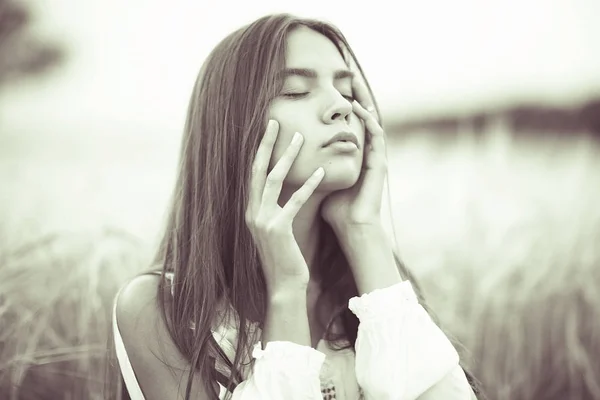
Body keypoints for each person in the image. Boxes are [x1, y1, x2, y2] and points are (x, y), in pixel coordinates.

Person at [110, 13, 485, 400]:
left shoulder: (372, 283)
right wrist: (286, 291)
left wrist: (364, 231)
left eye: (348, 91)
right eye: (295, 91)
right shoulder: (160, 310)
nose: (340, 107)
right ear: (232, 127)